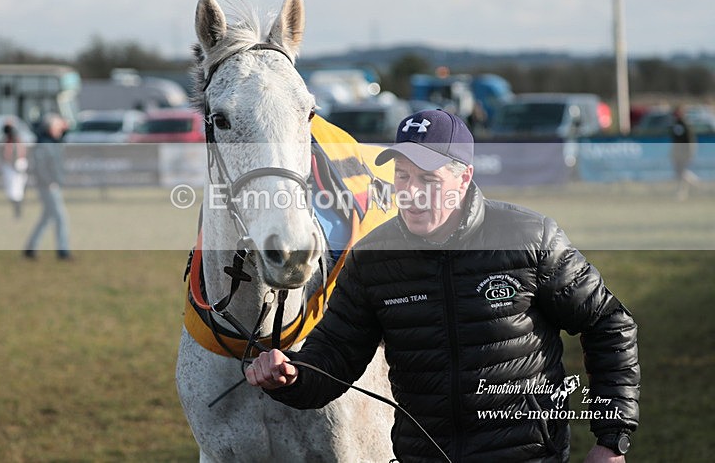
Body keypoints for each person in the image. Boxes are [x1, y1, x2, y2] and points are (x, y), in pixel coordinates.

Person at [246, 110, 640, 462]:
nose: (411, 192)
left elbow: (609, 323)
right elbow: (334, 355)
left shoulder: (529, 237)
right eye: (402, 175)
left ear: (464, 176)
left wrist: (612, 439)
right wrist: (292, 378)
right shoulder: (372, 258)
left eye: (428, 178)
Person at [24, 114, 71, 260]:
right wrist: (48, 182)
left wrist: (65, 128)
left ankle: (30, 248)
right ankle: (63, 252)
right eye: (56, 126)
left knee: (47, 218)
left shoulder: (52, 141)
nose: (59, 130)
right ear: (49, 128)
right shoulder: (44, 143)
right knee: (60, 218)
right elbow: (39, 166)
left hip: (52, 184)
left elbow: (62, 138)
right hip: (48, 186)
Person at [669, 105, 697, 201]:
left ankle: (682, 193)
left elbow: (690, 140)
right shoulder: (675, 124)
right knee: (679, 173)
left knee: (682, 172)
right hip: (677, 153)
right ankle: (693, 186)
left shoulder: (685, 124)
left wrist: (690, 153)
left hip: (684, 153)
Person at [2, 122, 28, 218]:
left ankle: (18, 213)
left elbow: (11, 154)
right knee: (14, 191)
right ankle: (17, 212)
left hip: (16, 166)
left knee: (16, 191)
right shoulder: (11, 141)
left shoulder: (16, 141)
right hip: (13, 167)